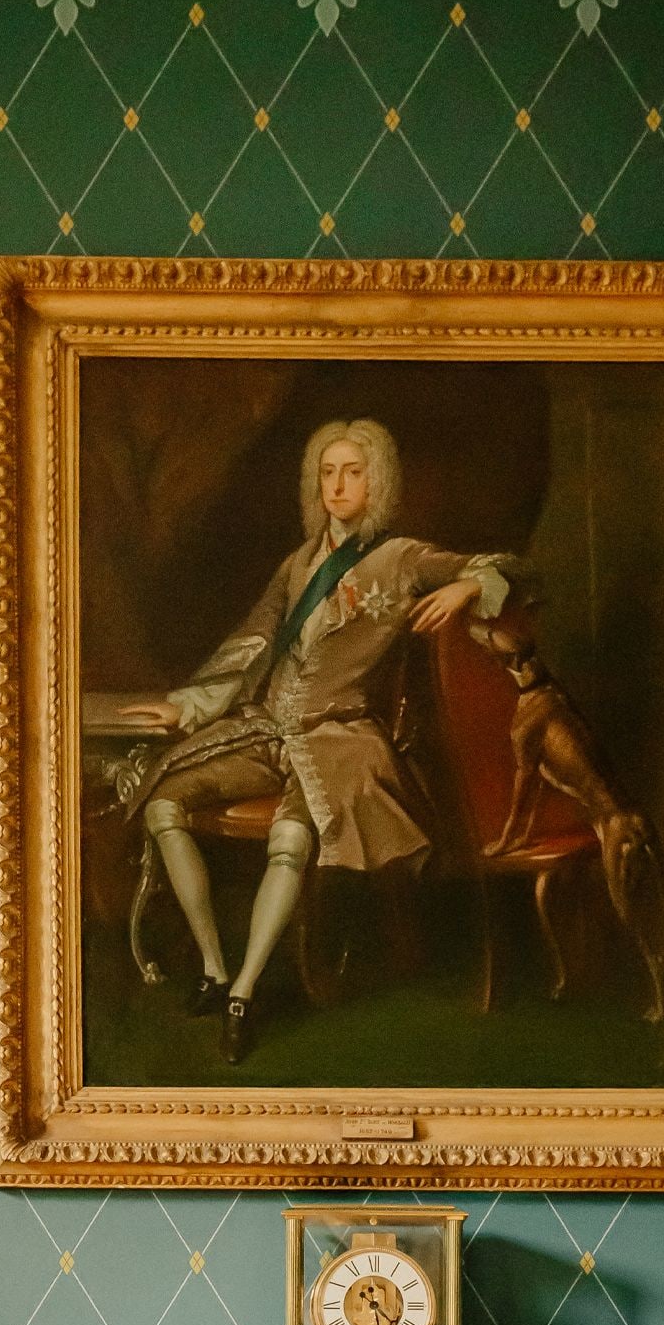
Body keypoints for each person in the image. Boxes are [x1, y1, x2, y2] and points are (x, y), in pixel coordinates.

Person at [116, 419, 515, 1062]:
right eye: (327, 472)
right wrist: (182, 707)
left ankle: (245, 993)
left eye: (352, 471)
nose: (337, 485)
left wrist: (470, 584)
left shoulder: (403, 558)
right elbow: (250, 645)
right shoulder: (298, 564)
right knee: (164, 803)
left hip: (339, 739)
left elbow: (507, 567)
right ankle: (217, 970)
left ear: (376, 480)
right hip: (268, 730)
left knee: (290, 838)